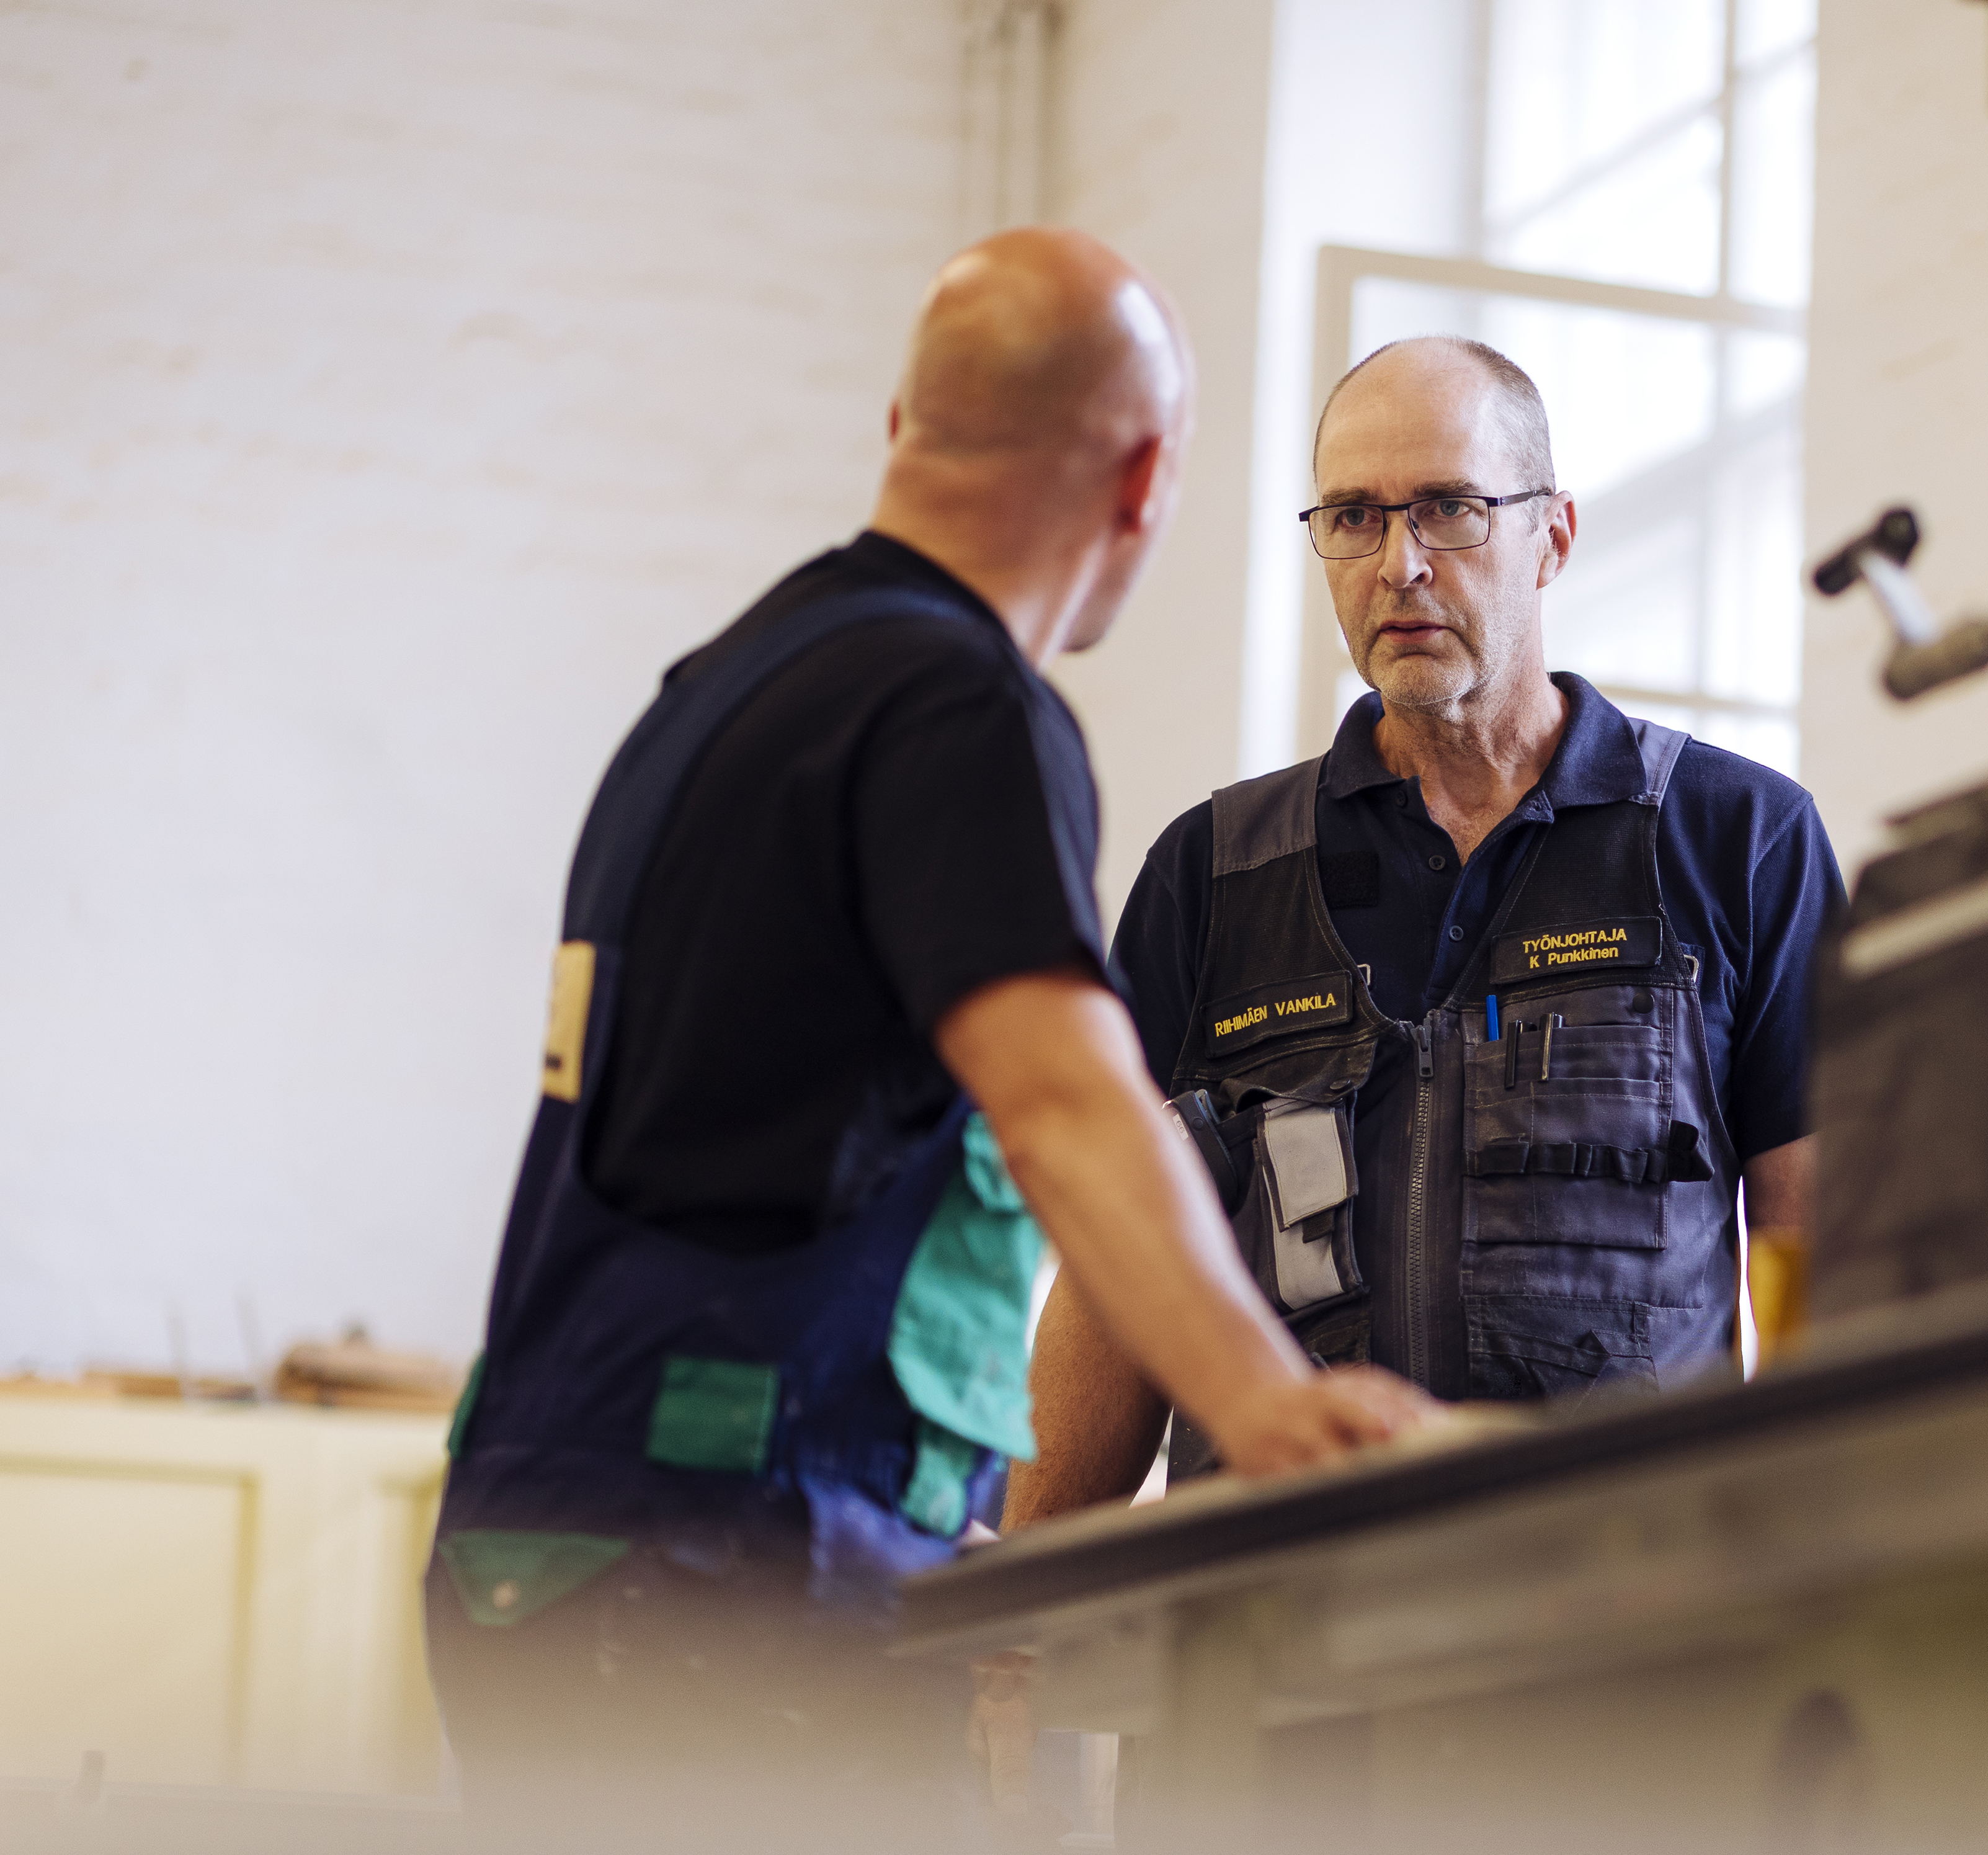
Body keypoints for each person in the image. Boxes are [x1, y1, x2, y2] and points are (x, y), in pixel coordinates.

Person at [426, 229, 1437, 1846]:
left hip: (547, 1553)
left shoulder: (725, 686)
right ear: (1145, 480)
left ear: (905, 426)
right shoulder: (955, 701)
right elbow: (1061, 1099)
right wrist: (1274, 1410)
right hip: (721, 1581)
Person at [1013, 334, 1843, 1511]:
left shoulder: (1737, 842)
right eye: (1352, 517)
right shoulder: (1214, 875)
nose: (1398, 563)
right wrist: (1010, 1634)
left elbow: (1820, 1266)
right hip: (1263, 1631)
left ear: (1552, 537)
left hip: (1616, 1625)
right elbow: (1117, 1275)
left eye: (1449, 508)